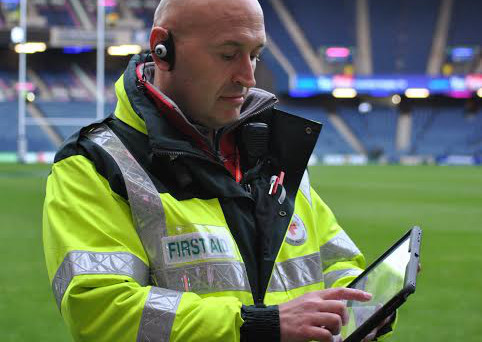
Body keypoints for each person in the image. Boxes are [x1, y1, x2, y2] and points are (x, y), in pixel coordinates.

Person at [43, 0, 395, 341]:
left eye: (255, 55)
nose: (248, 76)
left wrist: (362, 303)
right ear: (162, 49)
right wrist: (258, 326)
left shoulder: (275, 156)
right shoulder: (95, 165)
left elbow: (335, 260)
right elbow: (101, 310)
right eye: (228, 55)